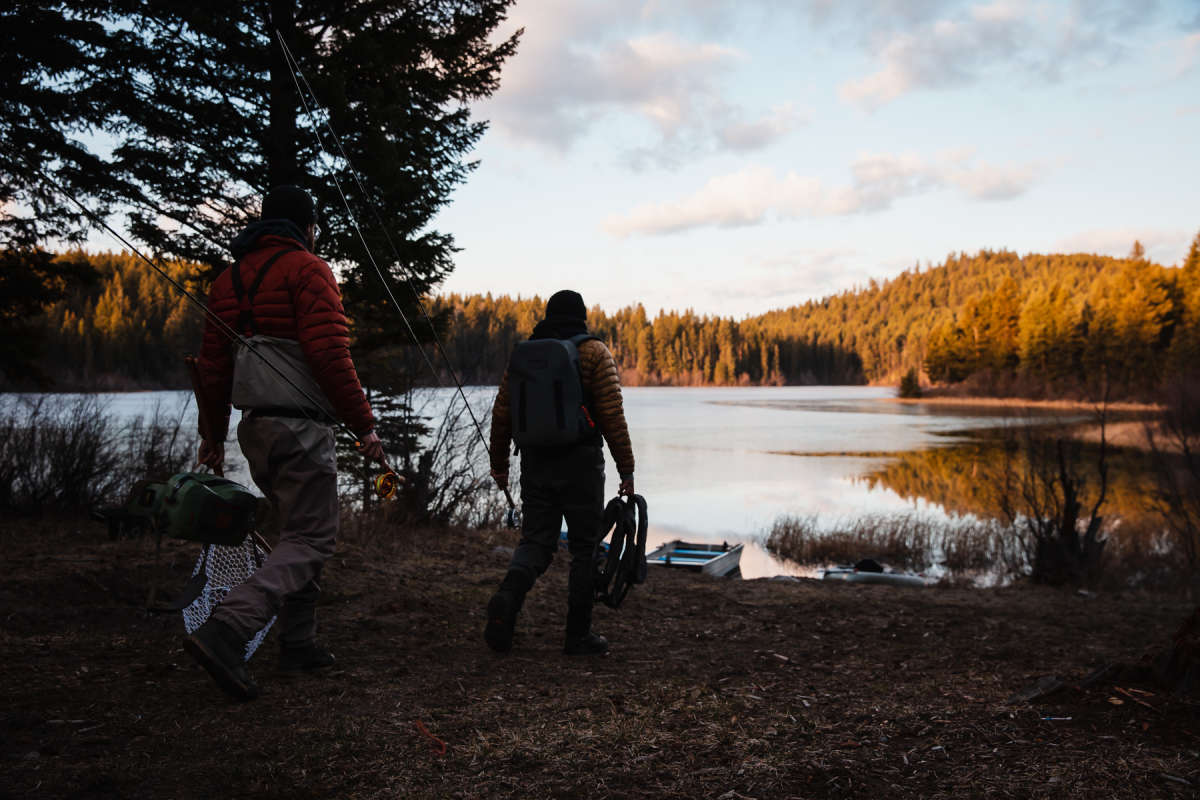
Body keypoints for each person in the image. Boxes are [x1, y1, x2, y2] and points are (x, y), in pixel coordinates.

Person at [185, 185, 385, 701]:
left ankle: (299, 642)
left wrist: (212, 436)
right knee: (313, 537)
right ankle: (228, 629)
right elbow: (328, 354)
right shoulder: (307, 269)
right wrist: (364, 425)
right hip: (300, 426)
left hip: (255, 430)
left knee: (296, 529)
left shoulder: (225, 282)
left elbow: (212, 369)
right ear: (307, 226)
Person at [484, 290, 635, 656]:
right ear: (582, 317)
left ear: (548, 316)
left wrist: (499, 464)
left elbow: (502, 412)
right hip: (581, 464)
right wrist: (626, 469)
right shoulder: (594, 352)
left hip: (535, 462)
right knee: (585, 549)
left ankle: (506, 603)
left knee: (536, 542)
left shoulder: (526, 355)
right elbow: (612, 416)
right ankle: (577, 635)